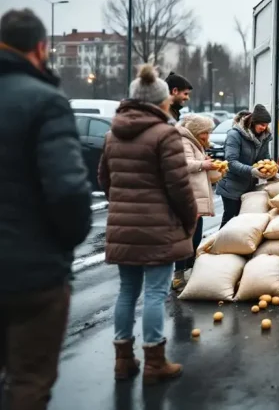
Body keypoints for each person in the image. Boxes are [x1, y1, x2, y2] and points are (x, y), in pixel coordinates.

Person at [0, 9, 92, 410]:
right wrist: (63, 247)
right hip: (31, 275)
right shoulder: (46, 102)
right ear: (41, 48)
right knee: (28, 382)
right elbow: (69, 193)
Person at [99, 64, 198, 384]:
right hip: (158, 227)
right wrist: (188, 219)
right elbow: (179, 186)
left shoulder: (112, 133)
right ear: (161, 101)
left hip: (122, 226)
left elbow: (104, 179)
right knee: (156, 293)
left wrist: (124, 203)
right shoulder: (164, 133)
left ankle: (122, 360)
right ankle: (154, 361)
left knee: (127, 291)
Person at [173, 114, 217, 290]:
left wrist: (204, 161)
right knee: (186, 237)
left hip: (195, 195)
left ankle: (189, 270)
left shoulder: (194, 141)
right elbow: (185, 163)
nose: (207, 136)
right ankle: (179, 275)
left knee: (196, 236)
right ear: (196, 131)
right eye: (205, 132)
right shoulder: (184, 141)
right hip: (188, 195)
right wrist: (203, 165)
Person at [216, 104, 276, 227]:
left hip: (249, 186)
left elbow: (264, 157)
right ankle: (218, 245)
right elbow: (231, 162)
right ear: (253, 122)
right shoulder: (235, 135)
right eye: (262, 125)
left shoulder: (263, 136)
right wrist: (252, 171)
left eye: (266, 125)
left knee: (243, 222)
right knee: (230, 219)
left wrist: (272, 169)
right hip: (231, 186)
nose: (264, 128)